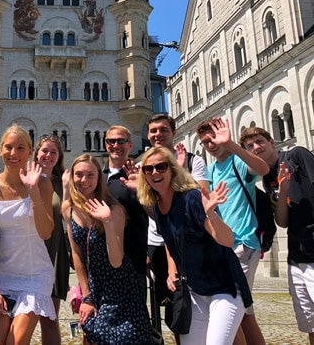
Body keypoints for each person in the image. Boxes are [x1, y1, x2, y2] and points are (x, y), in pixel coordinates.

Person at [137, 146, 253, 345]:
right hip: (195, 291)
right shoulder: (156, 206)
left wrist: (211, 214)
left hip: (225, 286)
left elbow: (227, 241)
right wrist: (172, 269)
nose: (155, 172)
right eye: (149, 169)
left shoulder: (191, 198)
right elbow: (171, 240)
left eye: (161, 167)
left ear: (172, 169)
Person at [0, 125, 55, 345]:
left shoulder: (43, 184)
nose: (13, 153)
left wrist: (33, 191)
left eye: (20, 148)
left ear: (29, 152)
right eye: (8, 147)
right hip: (1, 276)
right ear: (1, 150)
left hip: (35, 275)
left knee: (16, 342)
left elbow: (46, 232)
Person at [62, 154, 152, 345]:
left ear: (99, 178)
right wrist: (87, 296)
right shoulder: (69, 209)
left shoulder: (114, 209)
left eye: (90, 175)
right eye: (79, 175)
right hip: (94, 285)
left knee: (125, 338)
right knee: (93, 336)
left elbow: (116, 260)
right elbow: (76, 255)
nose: (84, 180)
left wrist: (108, 222)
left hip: (120, 285)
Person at [196, 117, 269, 345]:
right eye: (205, 142)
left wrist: (232, 145)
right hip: (225, 248)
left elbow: (262, 168)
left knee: (230, 311)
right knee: (244, 315)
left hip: (243, 244)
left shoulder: (237, 161)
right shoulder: (212, 169)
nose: (210, 145)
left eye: (213, 139)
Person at [240, 127, 314, 344]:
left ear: (272, 142)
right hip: (296, 255)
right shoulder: (268, 177)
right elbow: (282, 221)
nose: (256, 147)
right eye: (250, 146)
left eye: (259, 141)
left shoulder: (296, 156)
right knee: (309, 324)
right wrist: (282, 193)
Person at [146, 114, 210, 337]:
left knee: (206, 309)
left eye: (163, 130)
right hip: (157, 245)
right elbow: (149, 207)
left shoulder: (193, 161)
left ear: (173, 132)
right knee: (176, 310)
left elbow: (204, 197)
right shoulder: (144, 164)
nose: (158, 135)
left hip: (190, 245)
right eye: (153, 131)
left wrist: (180, 171)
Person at [102, 125, 149, 295]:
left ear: (130, 145)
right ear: (105, 144)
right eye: (111, 141)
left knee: (135, 315)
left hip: (133, 260)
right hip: (102, 261)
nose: (116, 145)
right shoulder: (98, 176)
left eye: (121, 141)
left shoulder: (142, 175)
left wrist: (140, 190)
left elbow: (153, 213)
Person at [33, 135, 70, 345]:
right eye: (44, 151)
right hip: (28, 250)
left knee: (49, 318)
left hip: (53, 250)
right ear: (37, 153)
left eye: (53, 152)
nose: (48, 155)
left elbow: (69, 216)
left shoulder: (63, 182)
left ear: (59, 157)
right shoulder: (25, 179)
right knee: (21, 318)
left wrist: (66, 190)